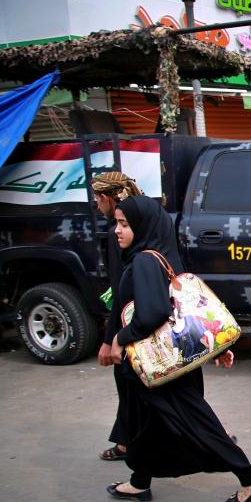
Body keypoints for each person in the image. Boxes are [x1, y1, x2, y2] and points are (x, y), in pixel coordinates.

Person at [107, 195, 251, 502]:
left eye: (124, 224)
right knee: (147, 423)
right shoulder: (164, 257)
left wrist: (120, 337)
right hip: (170, 361)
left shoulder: (143, 261)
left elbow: (154, 313)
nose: (117, 230)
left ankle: (249, 477)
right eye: (117, 223)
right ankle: (139, 482)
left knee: (195, 422)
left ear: (142, 225)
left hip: (161, 365)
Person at [92, 171, 144, 462]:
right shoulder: (148, 218)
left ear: (106, 199)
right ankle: (125, 443)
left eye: (97, 199)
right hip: (143, 317)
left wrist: (111, 338)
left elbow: (119, 289)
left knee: (132, 382)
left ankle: (214, 439)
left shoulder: (120, 233)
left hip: (135, 321)